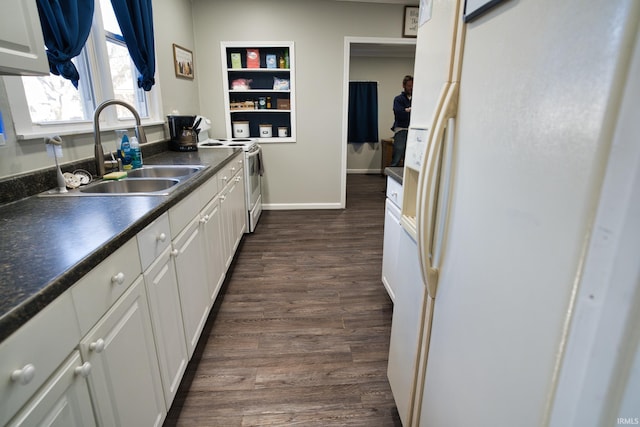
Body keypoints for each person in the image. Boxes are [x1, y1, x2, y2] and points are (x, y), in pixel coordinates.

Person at [390, 75, 413, 167]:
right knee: (397, 155)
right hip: (401, 129)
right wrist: (409, 111)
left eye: (412, 86)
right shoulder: (398, 99)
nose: (411, 88)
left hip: (413, 130)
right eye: (409, 86)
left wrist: (407, 110)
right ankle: (391, 180)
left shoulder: (417, 99)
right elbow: (400, 114)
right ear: (404, 86)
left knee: (410, 158)